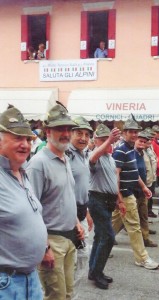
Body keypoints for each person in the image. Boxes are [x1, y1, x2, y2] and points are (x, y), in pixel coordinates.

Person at [26, 102, 84, 300]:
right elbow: (30, 211)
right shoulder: (39, 164)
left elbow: (64, 196)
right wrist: (44, 248)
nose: (66, 133)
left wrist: (76, 222)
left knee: (67, 294)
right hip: (51, 241)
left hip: (68, 238)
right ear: (47, 131)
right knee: (55, 296)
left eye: (68, 128)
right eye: (60, 128)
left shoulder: (64, 157)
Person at [0, 105, 47, 299]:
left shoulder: (22, 171)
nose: (26, 144)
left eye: (28, 139)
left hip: (30, 279)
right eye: (18, 138)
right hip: (6, 284)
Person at [112, 116, 159, 270]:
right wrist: (119, 198)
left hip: (128, 193)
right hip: (125, 195)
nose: (134, 135)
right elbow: (116, 175)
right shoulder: (121, 150)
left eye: (136, 132)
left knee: (112, 226)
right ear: (124, 133)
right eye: (131, 132)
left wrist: (144, 187)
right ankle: (142, 258)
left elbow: (133, 172)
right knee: (134, 226)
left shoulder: (130, 150)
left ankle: (100, 247)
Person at [88, 124, 123, 289]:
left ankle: (94, 270)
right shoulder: (94, 154)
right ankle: (96, 272)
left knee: (99, 236)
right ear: (95, 141)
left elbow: (112, 180)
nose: (107, 144)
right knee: (108, 237)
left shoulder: (110, 158)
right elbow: (92, 158)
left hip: (107, 201)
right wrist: (109, 140)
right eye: (102, 140)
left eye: (108, 140)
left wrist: (117, 198)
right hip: (97, 199)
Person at [66, 116, 93, 294]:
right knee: (70, 258)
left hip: (82, 211)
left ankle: (72, 293)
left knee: (83, 255)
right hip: (68, 215)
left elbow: (84, 186)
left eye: (86, 134)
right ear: (70, 134)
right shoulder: (66, 155)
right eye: (79, 133)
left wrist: (88, 211)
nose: (83, 138)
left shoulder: (83, 154)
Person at [134, 130, 158, 247]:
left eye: (145, 141)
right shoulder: (131, 153)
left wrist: (146, 186)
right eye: (140, 141)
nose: (142, 143)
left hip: (143, 189)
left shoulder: (143, 153)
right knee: (121, 219)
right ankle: (109, 236)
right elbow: (133, 172)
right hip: (132, 191)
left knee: (143, 215)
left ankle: (145, 238)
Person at [144, 127, 158, 218]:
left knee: (148, 200)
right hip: (144, 181)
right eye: (148, 139)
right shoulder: (141, 150)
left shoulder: (150, 148)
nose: (150, 140)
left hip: (151, 178)